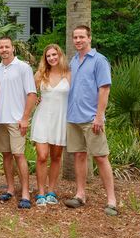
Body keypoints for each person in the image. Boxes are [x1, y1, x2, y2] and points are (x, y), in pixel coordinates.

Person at [64, 25, 117, 216]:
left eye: (81, 37)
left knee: (101, 157)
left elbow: (104, 90)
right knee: (79, 156)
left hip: (91, 119)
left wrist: (99, 116)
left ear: (89, 38)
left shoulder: (99, 61)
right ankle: (80, 194)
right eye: (75, 37)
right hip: (73, 118)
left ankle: (111, 200)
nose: (78, 40)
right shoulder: (73, 61)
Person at [0, 36, 37, 209]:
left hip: (16, 120)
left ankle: (25, 193)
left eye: (7, 47)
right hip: (0, 120)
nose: (4, 50)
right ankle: (10, 189)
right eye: (1, 47)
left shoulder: (23, 68)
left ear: (13, 48)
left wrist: (25, 118)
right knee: (6, 155)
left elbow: (32, 94)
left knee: (19, 155)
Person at [30, 44, 70, 206]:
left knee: (56, 157)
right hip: (42, 118)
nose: (52, 58)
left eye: (54, 55)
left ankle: (51, 191)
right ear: (45, 59)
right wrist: (34, 101)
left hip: (60, 118)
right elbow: (29, 92)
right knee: (42, 156)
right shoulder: (41, 74)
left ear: (60, 55)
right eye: (48, 56)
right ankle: (40, 193)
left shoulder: (68, 74)